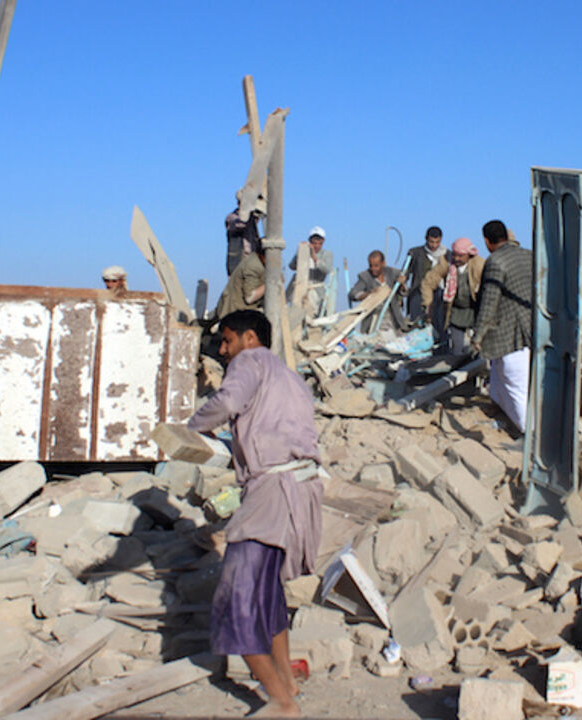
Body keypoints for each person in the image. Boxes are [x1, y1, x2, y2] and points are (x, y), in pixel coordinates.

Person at [187, 310, 322, 718]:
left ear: (249, 338)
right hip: (301, 489)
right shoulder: (289, 376)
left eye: (226, 341)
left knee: (237, 603)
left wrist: (190, 427)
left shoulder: (249, 362)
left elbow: (228, 400)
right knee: (269, 597)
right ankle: (287, 683)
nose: (224, 351)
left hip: (272, 492)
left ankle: (281, 704)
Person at [472, 220, 533, 433]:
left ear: (487, 241)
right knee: (498, 387)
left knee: (516, 388)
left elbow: (489, 302)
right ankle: (509, 424)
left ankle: (530, 437)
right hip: (535, 331)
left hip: (511, 335)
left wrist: (478, 336)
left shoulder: (496, 261)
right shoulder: (529, 256)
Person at [420, 237, 485, 356]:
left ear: (468, 255)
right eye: (455, 255)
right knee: (456, 349)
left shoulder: (479, 264)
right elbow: (428, 282)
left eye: (460, 256)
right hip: (455, 310)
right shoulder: (447, 262)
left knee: (478, 347)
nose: (456, 259)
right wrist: (428, 303)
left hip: (475, 309)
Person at [349, 250, 407, 332]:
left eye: (376, 266)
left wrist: (402, 284)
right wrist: (369, 294)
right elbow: (353, 294)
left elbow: (405, 292)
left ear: (383, 264)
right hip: (374, 321)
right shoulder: (365, 277)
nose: (373, 269)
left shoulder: (393, 273)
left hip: (393, 319)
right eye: (371, 266)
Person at [405, 226, 447, 333]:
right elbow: (405, 273)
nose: (434, 245)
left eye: (437, 242)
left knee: (440, 327)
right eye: (431, 242)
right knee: (417, 326)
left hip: (440, 295)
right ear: (426, 239)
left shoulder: (447, 255)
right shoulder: (415, 253)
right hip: (418, 294)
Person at [286, 226, 335, 314]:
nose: (316, 246)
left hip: (316, 288)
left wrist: (314, 257)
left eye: (319, 243)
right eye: (314, 243)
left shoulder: (327, 254)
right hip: (299, 285)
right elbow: (292, 266)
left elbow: (327, 269)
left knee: (311, 304)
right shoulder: (304, 251)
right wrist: (300, 251)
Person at [215, 245, 266, 320]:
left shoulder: (257, 261)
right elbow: (249, 298)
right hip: (236, 312)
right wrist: (270, 283)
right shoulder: (253, 266)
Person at [226, 206, 262, 276]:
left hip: (252, 260)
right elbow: (239, 223)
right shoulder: (232, 217)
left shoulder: (252, 221)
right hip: (239, 261)